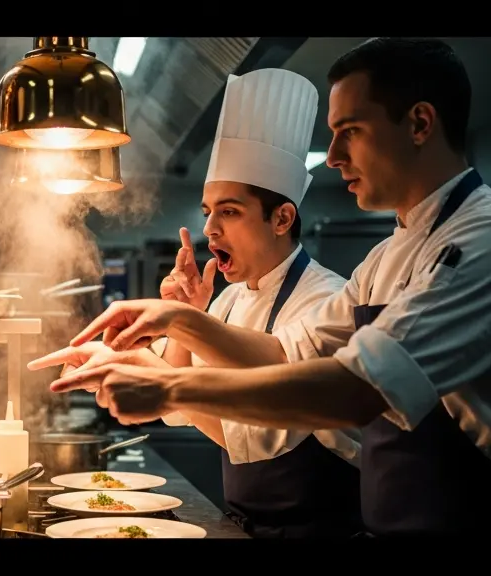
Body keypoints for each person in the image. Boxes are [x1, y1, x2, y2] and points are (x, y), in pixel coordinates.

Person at [48, 38, 491, 537]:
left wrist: (170, 385)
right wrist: (178, 319)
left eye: (351, 131)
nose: (334, 157)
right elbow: (287, 354)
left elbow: (358, 390)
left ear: (419, 123)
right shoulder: (389, 255)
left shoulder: (478, 242)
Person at [29, 69, 363, 538]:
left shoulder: (326, 299)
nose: (209, 230)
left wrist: (182, 324)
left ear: (282, 217)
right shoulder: (229, 299)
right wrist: (125, 352)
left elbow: (258, 430)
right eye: (208, 213)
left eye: (229, 211)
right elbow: (184, 407)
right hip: (247, 522)